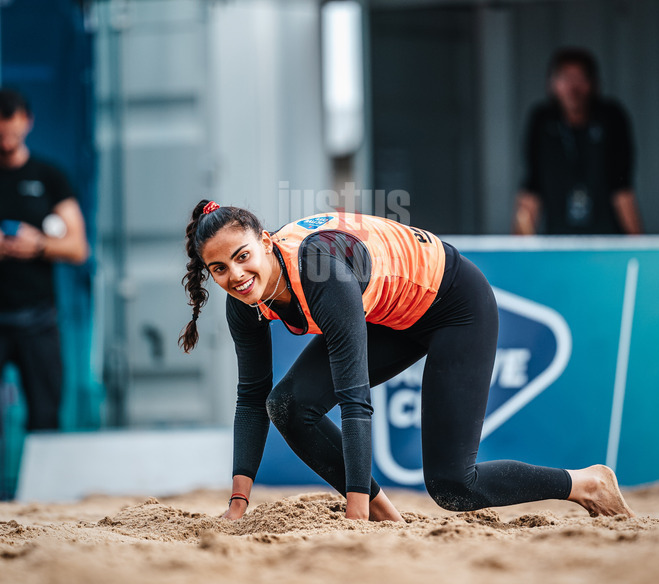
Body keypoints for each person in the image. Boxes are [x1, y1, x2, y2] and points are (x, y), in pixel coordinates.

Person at [180, 200, 634, 523]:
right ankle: (385, 514)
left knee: (455, 486)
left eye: (242, 257)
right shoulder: (244, 300)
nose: (236, 276)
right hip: (390, 313)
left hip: (454, 304)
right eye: (219, 269)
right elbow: (250, 397)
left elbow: (354, 399)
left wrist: (352, 509)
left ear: (263, 242)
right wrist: (238, 503)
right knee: (286, 405)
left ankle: (585, 482)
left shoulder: (319, 272)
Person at [0, 88, 89, 431]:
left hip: (37, 319)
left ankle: (40, 486)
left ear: (27, 122)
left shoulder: (49, 176)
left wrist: (37, 245)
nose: (6, 135)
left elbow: (78, 247)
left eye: (12, 124)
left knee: (45, 416)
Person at [513, 47, 643, 236]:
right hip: (558, 240)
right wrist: (516, 250)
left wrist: (638, 246)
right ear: (552, 84)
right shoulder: (542, 121)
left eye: (580, 78)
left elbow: (622, 188)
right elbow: (532, 188)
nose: (573, 87)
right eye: (565, 78)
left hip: (607, 239)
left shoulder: (610, 118)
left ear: (593, 84)